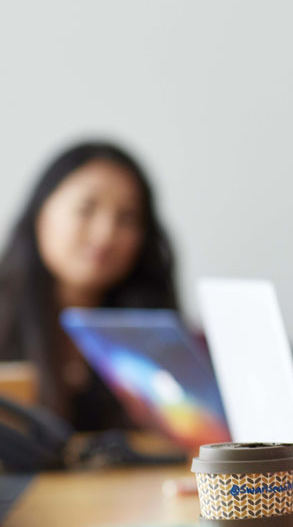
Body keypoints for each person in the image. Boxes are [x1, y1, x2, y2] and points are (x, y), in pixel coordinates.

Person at [0, 141, 179, 431]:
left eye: (127, 217)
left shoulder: (159, 339)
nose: (105, 234)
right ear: (42, 215)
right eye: (86, 209)